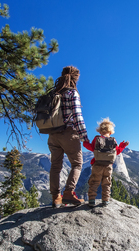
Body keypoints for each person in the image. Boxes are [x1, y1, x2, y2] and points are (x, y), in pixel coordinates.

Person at [48, 66, 88, 208]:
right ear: (75, 78)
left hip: (52, 134)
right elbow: (77, 116)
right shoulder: (72, 93)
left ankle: (55, 197)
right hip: (68, 133)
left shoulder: (53, 93)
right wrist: (84, 136)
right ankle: (69, 193)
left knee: (55, 165)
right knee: (77, 164)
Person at [83, 118, 129, 207]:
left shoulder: (97, 139)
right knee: (107, 183)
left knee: (94, 182)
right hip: (108, 166)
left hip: (97, 165)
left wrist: (85, 143)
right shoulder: (113, 140)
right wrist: (123, 145)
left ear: (100, 131)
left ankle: (92, 200)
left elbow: (91, 148)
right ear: (111, 132)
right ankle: (105, 200)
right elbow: (117, 152)